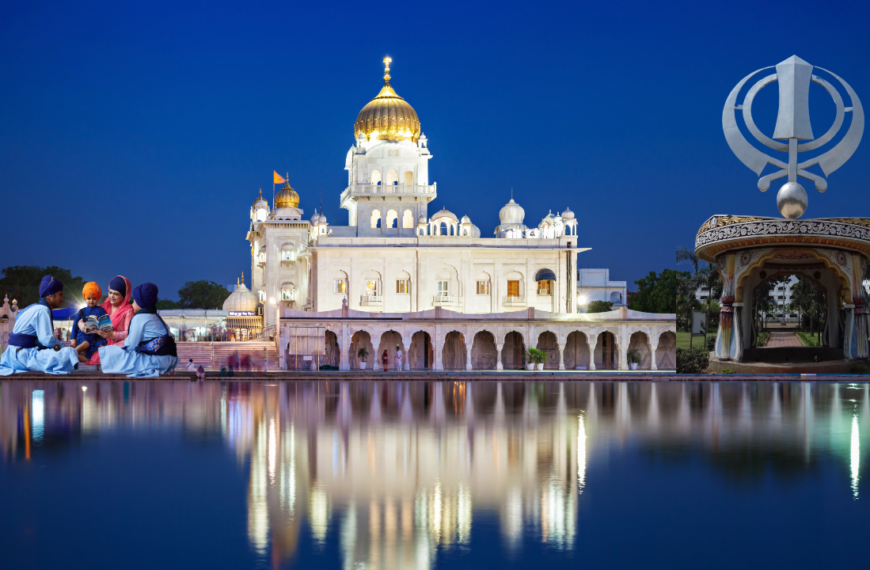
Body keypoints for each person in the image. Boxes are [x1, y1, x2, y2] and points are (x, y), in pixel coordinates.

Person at [0, 275, 79, 375]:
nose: (62, 299)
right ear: (49, 295)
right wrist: (64, 347)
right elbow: (46, 340)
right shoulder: (42, 310)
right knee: (68, 354)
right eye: (60, 294)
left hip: (11, 355)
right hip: (23, 356)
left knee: (66, 352)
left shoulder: (31, 307)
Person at [98, 283, 179, 377]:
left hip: (157, 360)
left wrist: (124, 340)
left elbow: (131, 345)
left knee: (110, 351)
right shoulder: (156, 317)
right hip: (170, 359)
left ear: (140, 303)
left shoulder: (139, 317)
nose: (132, 304)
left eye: (134, 301)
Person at [84, 276, 134, 365]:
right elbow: (86, 314)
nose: (112, 296)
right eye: (110, 292)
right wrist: (81, 324)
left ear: (124, 295)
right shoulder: (104, 305)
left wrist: (112, 335)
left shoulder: (128, 310)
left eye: (116, 294)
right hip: (101, 342)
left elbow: (129, 334)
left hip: (118, 344)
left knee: (109, 351)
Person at [70, 282, 108, 363]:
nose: (91, 301)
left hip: (97, 337)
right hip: (84, 336)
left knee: (98, 349)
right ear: (85, 298)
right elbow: (75, 326)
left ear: (97, 298)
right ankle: (71, 353)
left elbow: (106, 326)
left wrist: (100, 325)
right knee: (86, 343)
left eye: (94, 298)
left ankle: (80, 357)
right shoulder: (81, 312)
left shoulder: (101, 310)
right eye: (89, 298)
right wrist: (73, 340)